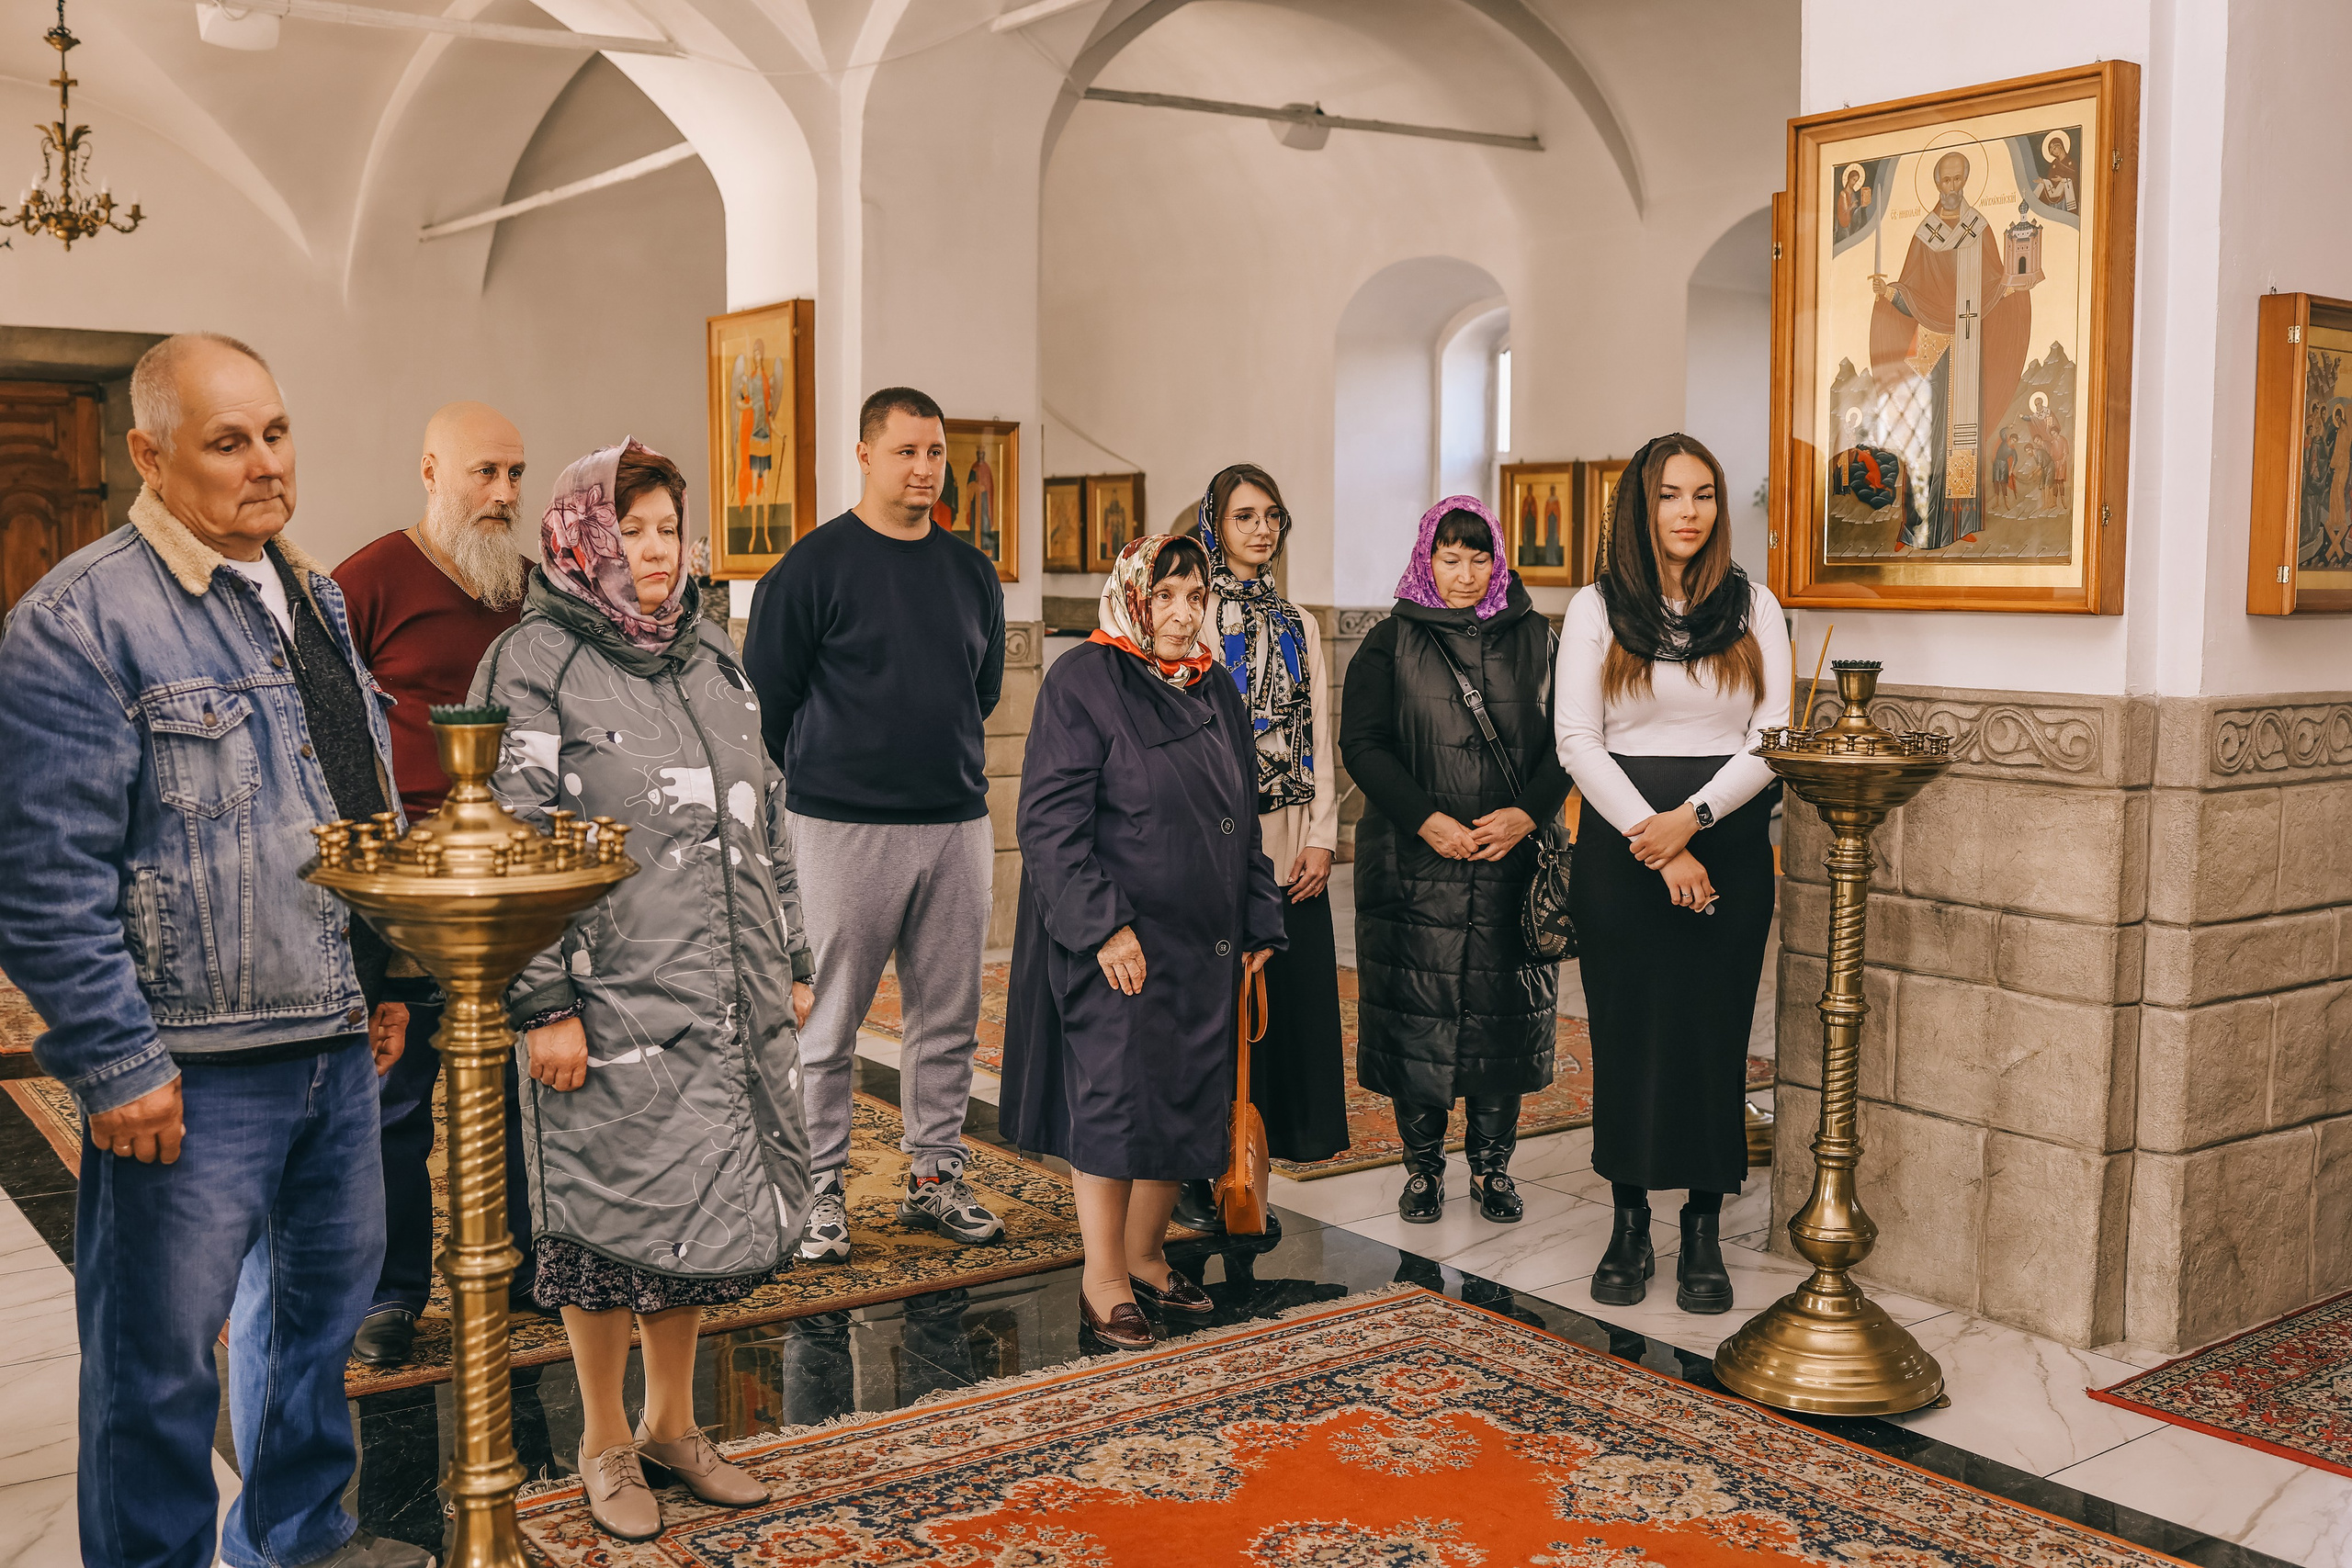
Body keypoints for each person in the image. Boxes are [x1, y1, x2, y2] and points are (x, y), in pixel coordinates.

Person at [0, 333, 427, 1568]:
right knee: (158, 1363)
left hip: (332, 1036)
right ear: (148, 452)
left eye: (276, 432)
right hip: (190, 1060)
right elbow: (38, 869)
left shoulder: (312, 592)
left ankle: (298, 1537)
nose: (265, 464)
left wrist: (381, 972)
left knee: (314, 1324)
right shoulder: (81, 619)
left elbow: (347, 798)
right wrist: (116, 1060)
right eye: (227, 441)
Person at [470, 438, 814, 1540]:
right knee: (607, 1223)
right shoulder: (536, 662)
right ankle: (604, 1442)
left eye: (669, 528)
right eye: (632, 530)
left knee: (700, 1210)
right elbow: (510, 844)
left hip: (726, 987)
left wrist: (791, 957)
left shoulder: (712, 654)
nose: (655, 551)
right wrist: (545, 1004)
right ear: (583, 538)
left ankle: (674, 1428)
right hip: (608, 998)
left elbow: (767, 814)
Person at [1000, 534, 1285, 1349]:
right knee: (1117, 1100)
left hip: (1205, 942)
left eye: (1195, 596)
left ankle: (1150, 1256)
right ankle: (1104, 1276)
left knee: (1184, 1093)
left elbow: (1244, 819)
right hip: (1120, 942)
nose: (1181, 611)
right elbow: (1050, 824)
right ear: (1132, 594)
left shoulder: (1213, 685)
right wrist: (1104, 926)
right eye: (1165, 595)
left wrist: (1259, 916)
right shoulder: (1084, 680)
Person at [744, 387, 1008, 1266]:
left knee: (948, 1013)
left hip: (954, 822)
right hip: (840, 824)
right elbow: (769, 703)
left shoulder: (970, 572)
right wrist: (835, 771)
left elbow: (983, 692)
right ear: (863, 454)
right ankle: (818, 1189)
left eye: (936, 452)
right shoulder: (813, 569)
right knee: (830, 1020)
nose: (927, 470)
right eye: (907, 452)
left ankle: (936, 1174)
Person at [1555, 432, 1790, 1316]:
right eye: (1669, 495)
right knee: (1627, 1032)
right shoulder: (1595, 607)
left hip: (1723, 838)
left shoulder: (1755, 605)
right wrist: (1652, 838)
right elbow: (1576, 738)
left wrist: (1690, 824)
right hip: (1622, 845)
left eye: (1702, 496)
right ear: (1639, 506)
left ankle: (1700, 1227)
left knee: (1711, 1033)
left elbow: (1773, 736)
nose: (1687, 512)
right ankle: (1626, 1223)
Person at [334, 400, 536, 1370]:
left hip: (514, 886)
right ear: (430, 470)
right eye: (484, 473)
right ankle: (393, 1292)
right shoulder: (363, 585)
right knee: (399, 1099)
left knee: (516, 1086)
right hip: (407, 890)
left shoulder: (529, 591)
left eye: (514, 476)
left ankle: (534, 1267)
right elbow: (328, 741)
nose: (503, 494)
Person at [1340, 496, 1571, 1227]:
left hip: (1510, 861)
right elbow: (1365, 745)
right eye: (1450, 557)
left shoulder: (1540, 639)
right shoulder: (1388, 640)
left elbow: (1570, 741)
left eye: (1479, 557)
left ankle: (1494, 1166)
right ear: (1426, 559)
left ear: (1499, 558)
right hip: (1416, 865)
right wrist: (1426, 819)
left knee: (1501, 1022)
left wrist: (1528, 813)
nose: (1465, 573)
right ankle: (1422, 1169)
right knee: (1420, 1016)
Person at [1171, 465, 1346, 1231]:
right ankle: (1190, 1165)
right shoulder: (1195, 617)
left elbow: (1321, 740)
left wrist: (1321, 835)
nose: (1262, 529)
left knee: (1278, 1006)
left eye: (1272, 515)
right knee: (1210, 1005)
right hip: (1215, 834)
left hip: (1288, 830)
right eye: (1244, 515)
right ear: (1214, 523)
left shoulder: (1300, 623)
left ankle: (1251, 1162)